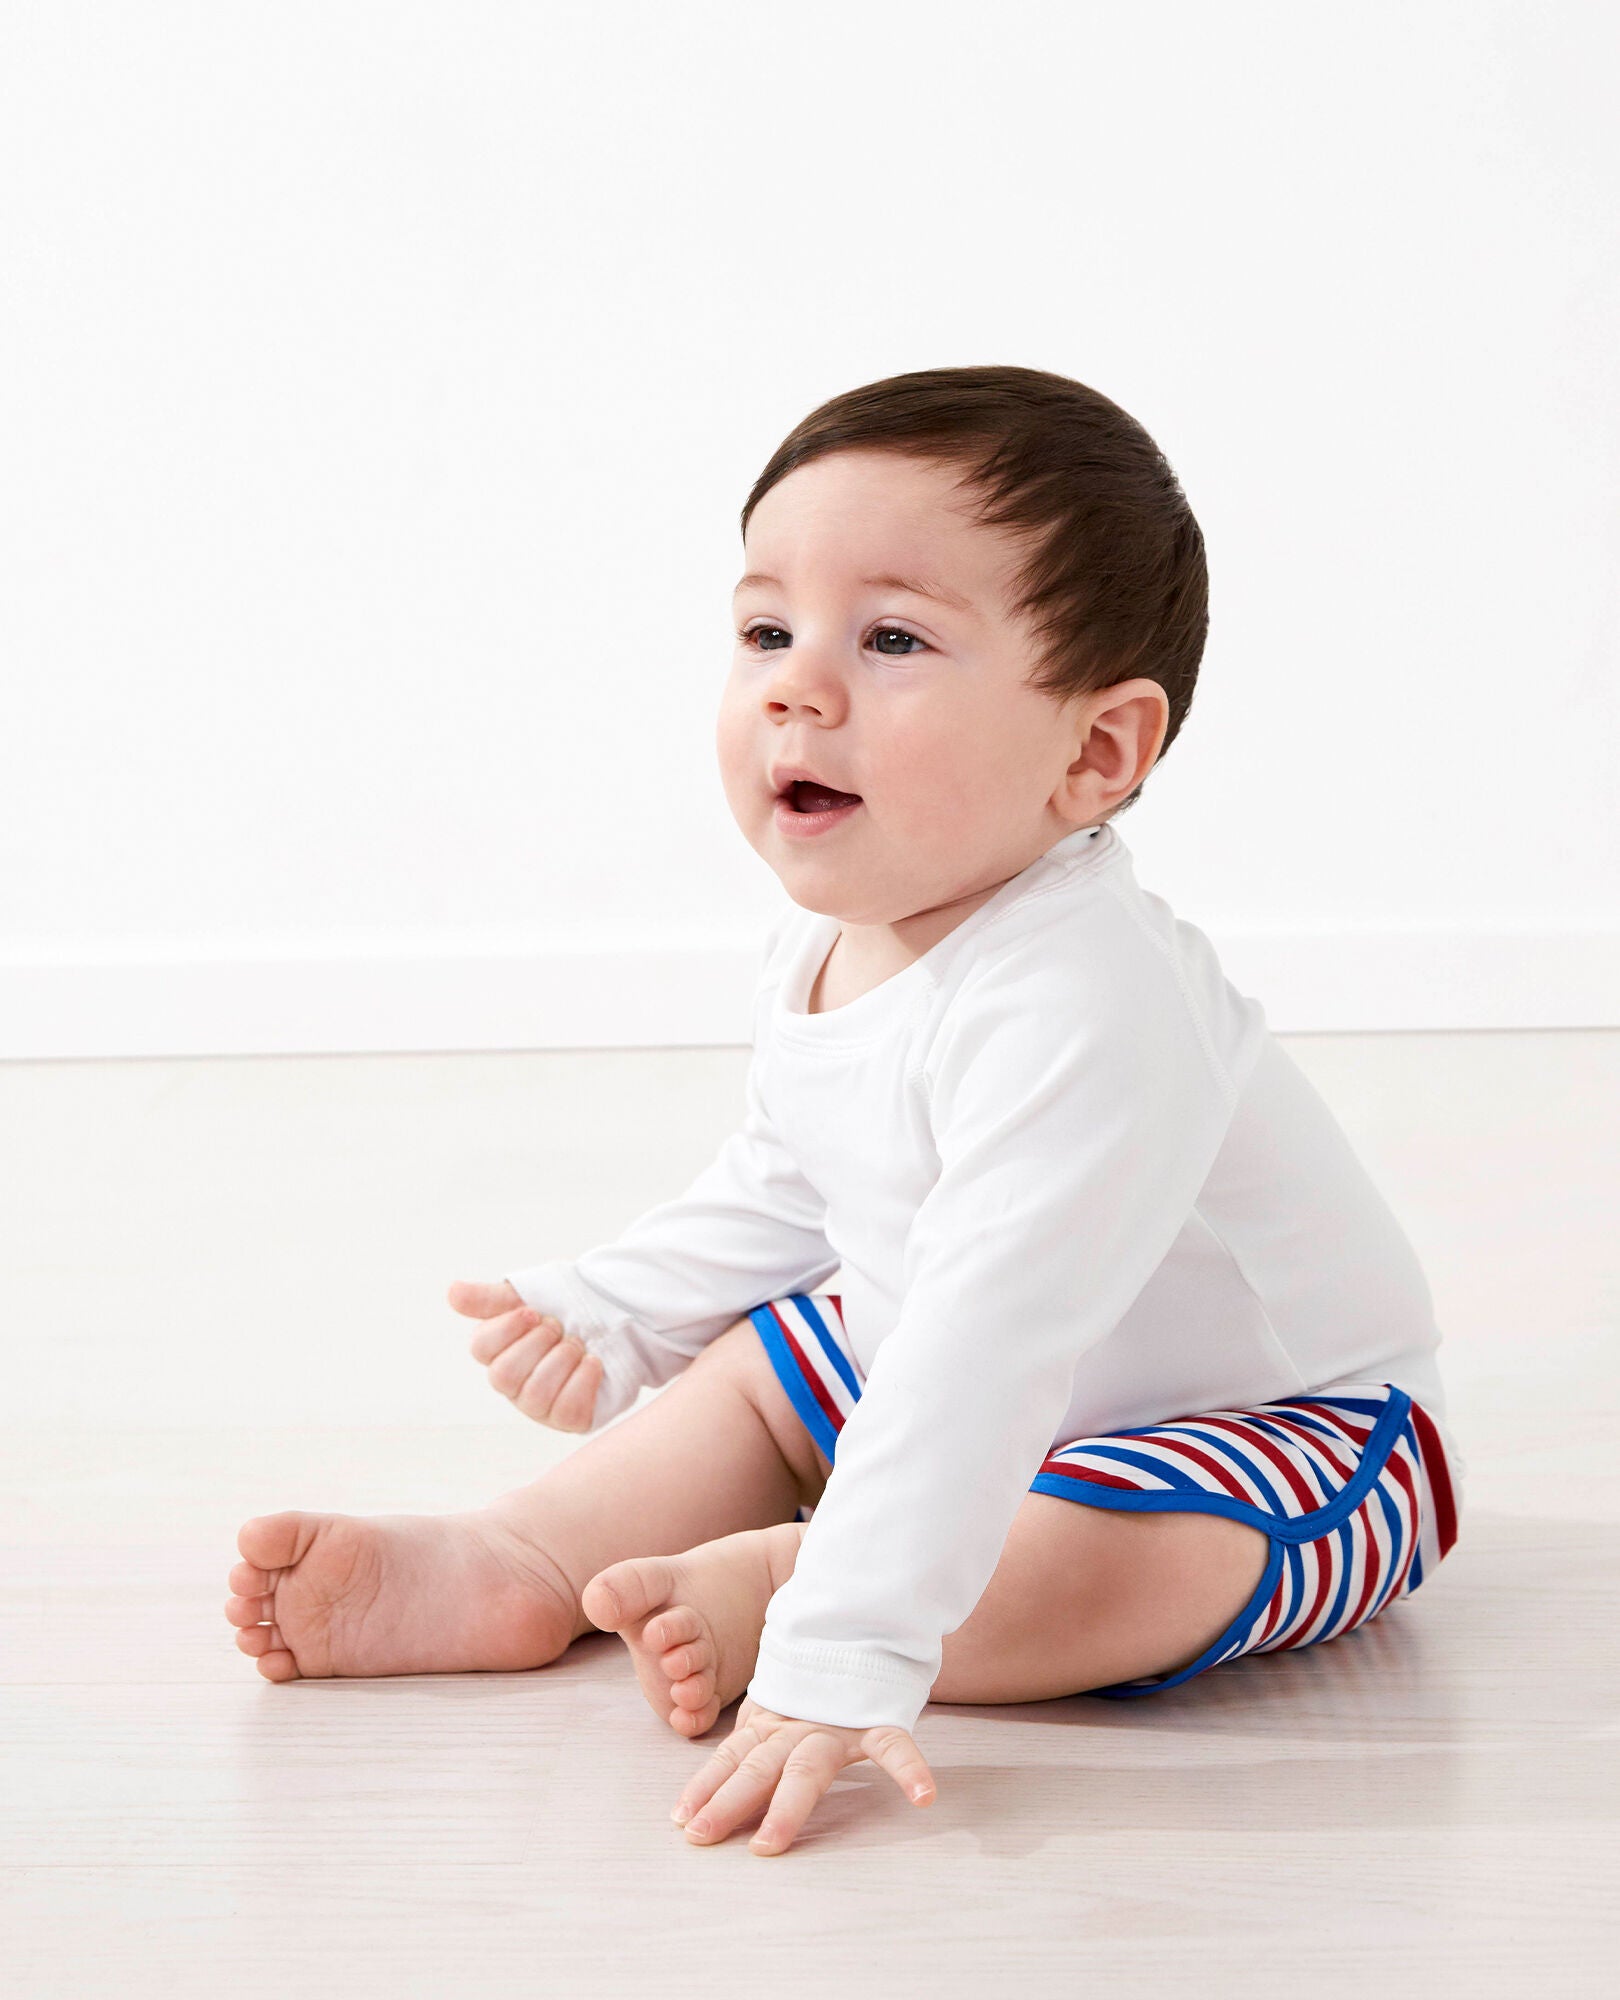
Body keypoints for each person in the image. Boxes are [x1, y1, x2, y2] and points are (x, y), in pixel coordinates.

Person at [223, 365, 1463, 1858]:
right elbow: (794, 1180)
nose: (798, 685)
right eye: (765, 631)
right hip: (956, 1358)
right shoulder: (829, 941)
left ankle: (784, 1588)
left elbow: (988, 1341)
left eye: (890, 639)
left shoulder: (1087, 1002)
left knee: (1121, 1569)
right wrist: (630, 1305)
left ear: (1095, 754)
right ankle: (522, 1555)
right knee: (772, 1362)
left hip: (1282, 1428)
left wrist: (842, 1646)